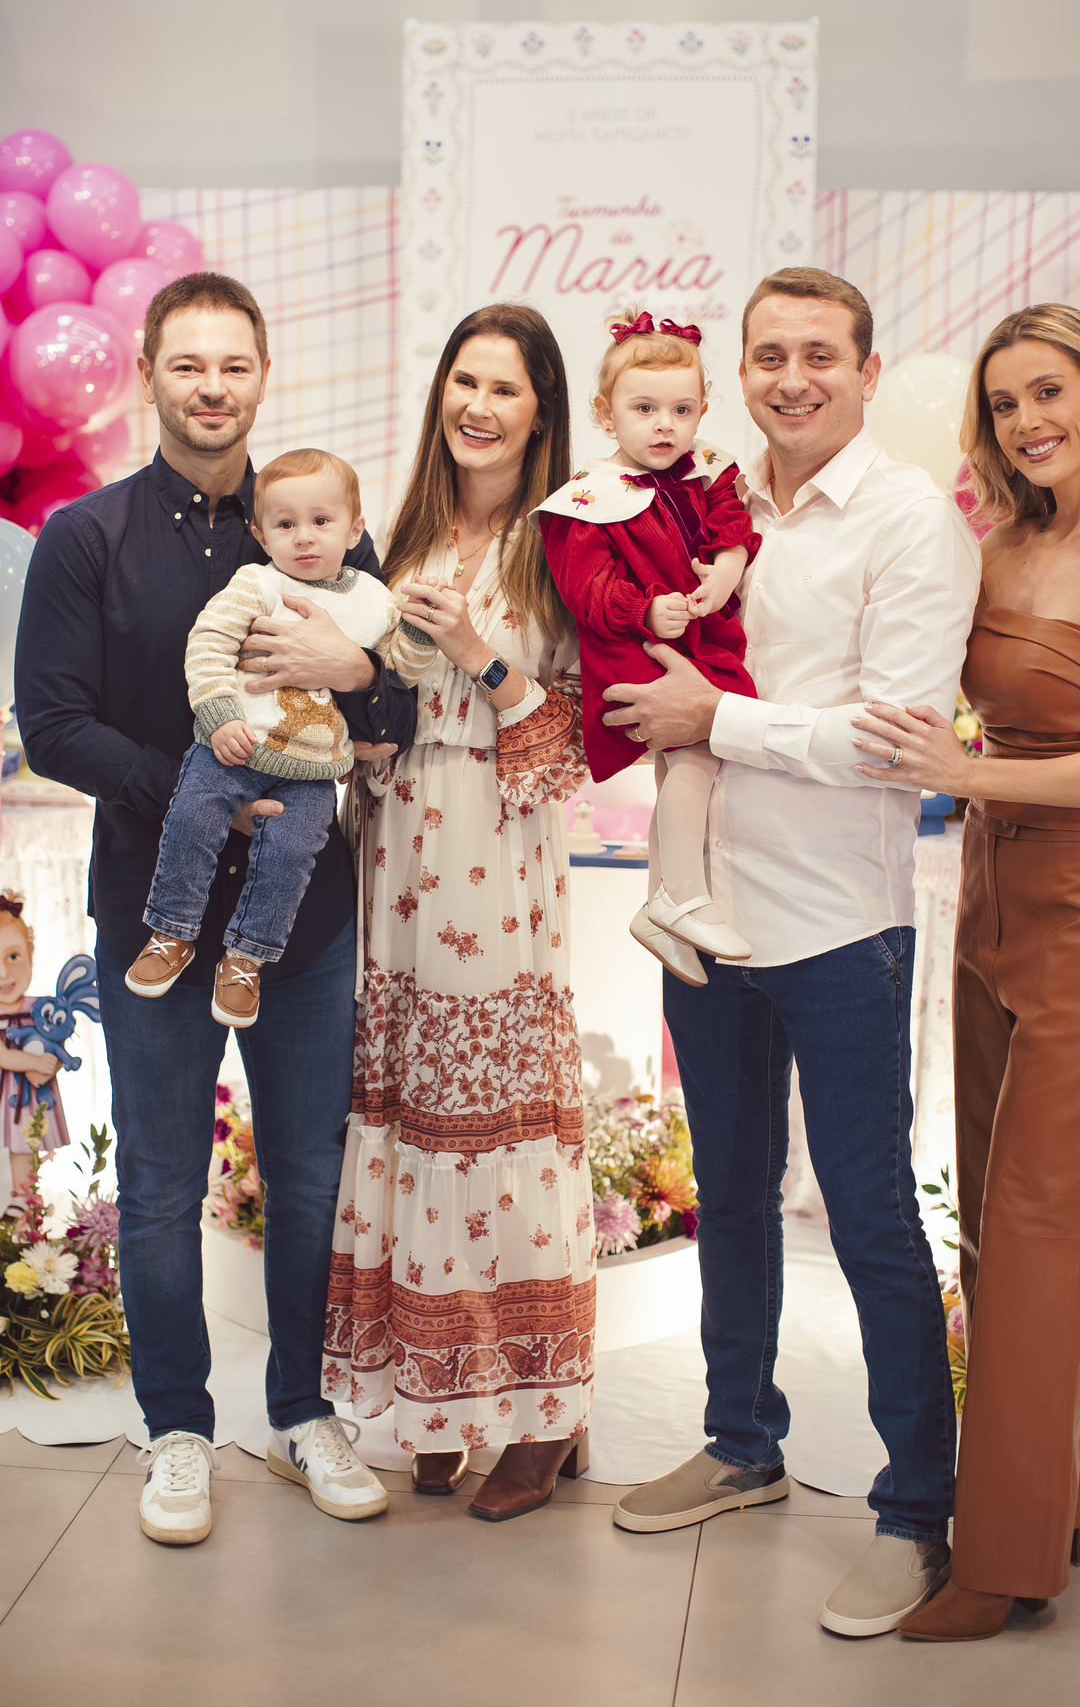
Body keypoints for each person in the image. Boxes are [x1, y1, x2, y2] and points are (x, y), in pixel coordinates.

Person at [601, 268, 981, 1638]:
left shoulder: (911, 520)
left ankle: (916, 1509)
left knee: (870, 1212)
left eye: (821, 354)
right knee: (732, 1191)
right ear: (742, 374)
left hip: (839, 923)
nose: (792, 377)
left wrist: (715, 721)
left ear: (868, 373)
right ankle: (741, 1441)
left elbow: (898, 737)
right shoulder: (708, 504)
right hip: (707, 915)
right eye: (769, 355)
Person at [15, 272, 414, 1544]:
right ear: (148, 374)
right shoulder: (86, 536)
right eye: (187, 364)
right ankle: (178, 1428)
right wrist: (195, 790)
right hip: (155, 908)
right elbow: (51, 724)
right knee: (158, 1182)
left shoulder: (315, 524)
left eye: (234, 364)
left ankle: (303, 1412)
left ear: (263, 374)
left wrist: (355, 669)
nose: (211, 387)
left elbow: (396, 705)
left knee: (309, 1174)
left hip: (307, 919)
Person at [853, 304, 1080, 1641]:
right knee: (990, 1231)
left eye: (1049, 392)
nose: (1027, 421)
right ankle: (1058, 1502)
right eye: (1004, 403)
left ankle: (1003, 1563)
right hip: (992, 901)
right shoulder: (998, 545)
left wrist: (968, 773)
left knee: (1045, 1236)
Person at [321, 303, 595, 1522]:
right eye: (464, 382)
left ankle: (544, 1412)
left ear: (543, 411)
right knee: (409, 1118)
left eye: (505, 388)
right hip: (396, 854)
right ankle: (437, 1391)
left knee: (498, 1124)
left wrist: (485, 654)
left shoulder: (567, 544)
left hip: (499, 850)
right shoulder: (407, 535)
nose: (478, 407)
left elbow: (577, 742)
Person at [126, 448, 436, 1029]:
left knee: (292, 855)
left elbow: (400, 673)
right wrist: (219, 715)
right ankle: (171, 929)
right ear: (261, 535)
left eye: (321, 521)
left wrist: (419, 634)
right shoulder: (256, 583)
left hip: (312, 770)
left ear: (355, 530)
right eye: (285, 524)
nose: (304, 537)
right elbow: (208, 642)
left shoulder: (374, 599)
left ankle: (246, 958)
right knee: (191, 818)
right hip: (234, 747)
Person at [532, 307, 760, 982]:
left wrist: (728, 567)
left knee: (685, 766)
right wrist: (646, 610)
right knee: (695, 749)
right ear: (606, 415)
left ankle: (661, 901)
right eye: (645, 409)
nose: (665, 425)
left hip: (703, 639)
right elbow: (586, 590)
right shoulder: (587, 499)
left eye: (682, 410)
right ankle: (681, 895)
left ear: (702, 411)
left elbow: (732, 524)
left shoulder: (706, 471)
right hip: (639, 649)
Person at [0, 898, 66, 1212]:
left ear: (30, 953)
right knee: (15, 1143)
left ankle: (27, 1201)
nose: (3, 972)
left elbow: (57, 1043)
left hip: (32, 1097)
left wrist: (50, 1066)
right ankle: (20, 1199)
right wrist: (36, 1062)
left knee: (28, 1144)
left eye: (13, 956)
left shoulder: (42, 1007)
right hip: (7, 1095)